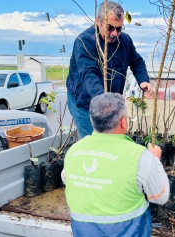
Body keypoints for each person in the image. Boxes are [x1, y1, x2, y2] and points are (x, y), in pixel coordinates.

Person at [62, 93, 169, 237]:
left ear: (92, 121)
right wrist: (155, 160)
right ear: (123, 121)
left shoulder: (74, 151)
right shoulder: (139, 157)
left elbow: (66, 178)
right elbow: (160, 197)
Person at [66, 1, 152, 138]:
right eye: (110, 28)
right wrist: (105, 100)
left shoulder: (124, 40)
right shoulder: (84, 42)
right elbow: (89, 74)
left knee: (111, 140)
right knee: (93, 141)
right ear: (98, 21)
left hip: (110, 104)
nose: (114, 34)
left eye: (119, 28)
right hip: (85, 102)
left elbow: (136, 61)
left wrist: (143, 80)